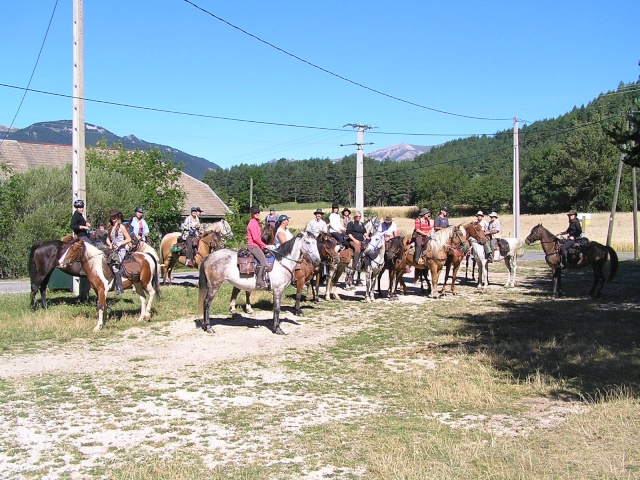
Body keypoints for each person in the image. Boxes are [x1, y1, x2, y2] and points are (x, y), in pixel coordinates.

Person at [106, 209, 132, 295]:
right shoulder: (110, 227)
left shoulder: (121, 227)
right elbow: (107, 239)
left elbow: (128, 238)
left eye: (114, 216)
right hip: (113, 249)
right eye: (112, 216)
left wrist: (121, 243)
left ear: (118, 217)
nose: (113, 218)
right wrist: (110, 244)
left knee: (115, 267)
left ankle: (120, 287)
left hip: (121, 249)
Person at [247, 206, 270, 288]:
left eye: (258, 212)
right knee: (264, 261)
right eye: (255, 213)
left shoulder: (256, 222)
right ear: (252, 214)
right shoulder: (253, 223)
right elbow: (256, 238)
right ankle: (259, 280)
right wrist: (264, 245)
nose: (257, 214)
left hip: (256, 245)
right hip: (253, 246)